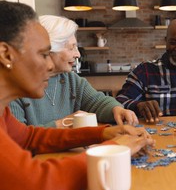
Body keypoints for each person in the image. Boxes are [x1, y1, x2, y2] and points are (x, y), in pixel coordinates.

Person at [0, 0, 155, 190]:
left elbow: (29, 138)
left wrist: (103, 133)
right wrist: (113, 150)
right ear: (6, 55)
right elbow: (36, 187)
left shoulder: (3, 111)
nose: (49, 64)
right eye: (43, 55)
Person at [9, 15, 138, 128]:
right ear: (49, 50)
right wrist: (63, 123)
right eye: (71, 48)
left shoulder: (70, 78)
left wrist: (116, 109)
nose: (77, 54)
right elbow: (17, 139)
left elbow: (97, 101)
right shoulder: (14, 86)